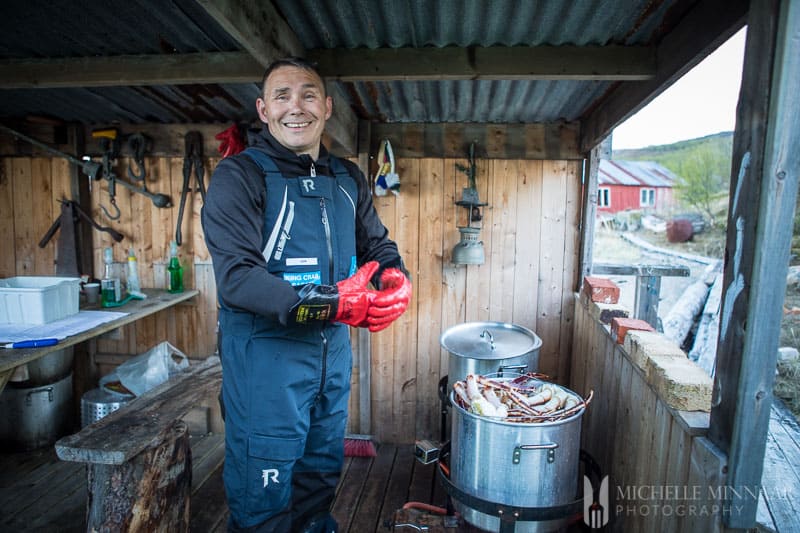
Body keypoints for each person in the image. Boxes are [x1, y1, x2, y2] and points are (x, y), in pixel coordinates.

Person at [201, 57, 411, 533]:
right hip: (265, 365)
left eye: (309, 94)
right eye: (282, 95)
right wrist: (333, 303)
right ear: (263, 109)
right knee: (264, 503)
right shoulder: (240, 177)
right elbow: (237, 277)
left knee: (318, 488)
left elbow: (377, 245)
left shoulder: (347, 178)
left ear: (328, 107)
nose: (296, 106)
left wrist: (397, 278)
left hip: (331, 361)